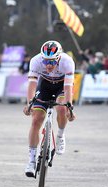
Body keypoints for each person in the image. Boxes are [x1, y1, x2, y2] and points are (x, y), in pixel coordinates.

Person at [23, 40, 75, 177]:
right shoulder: (35, 61)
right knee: (36, 120)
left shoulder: (67, 62)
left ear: (58, 58)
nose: (48, 65)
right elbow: (32, 85)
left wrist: (69, 105)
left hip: (61, 86)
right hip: (44, 85)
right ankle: (32, 160)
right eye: (46, 61)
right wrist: (29, 103)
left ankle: (60, 135)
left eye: (52, 62)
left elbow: (69, 87)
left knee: (62, 108)